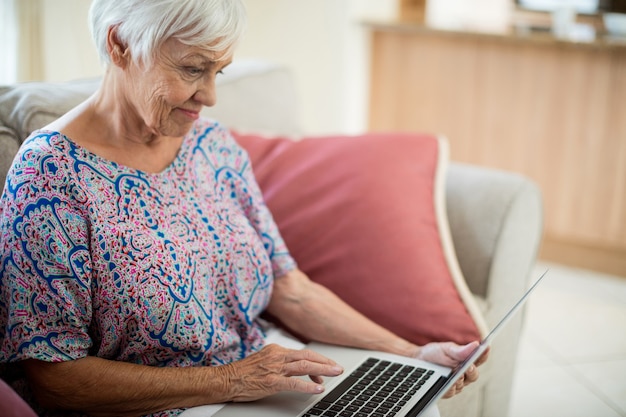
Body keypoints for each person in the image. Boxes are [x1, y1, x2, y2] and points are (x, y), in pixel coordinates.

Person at [0, 0, 488, 416]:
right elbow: (56, 380)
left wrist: (413, 353)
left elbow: (288, 287)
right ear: (120, 45)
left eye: (219, 72)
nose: (210, 96)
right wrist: (233, 381)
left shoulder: (212, 144)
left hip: (259, 384)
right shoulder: (50, 175)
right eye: (193, 69)